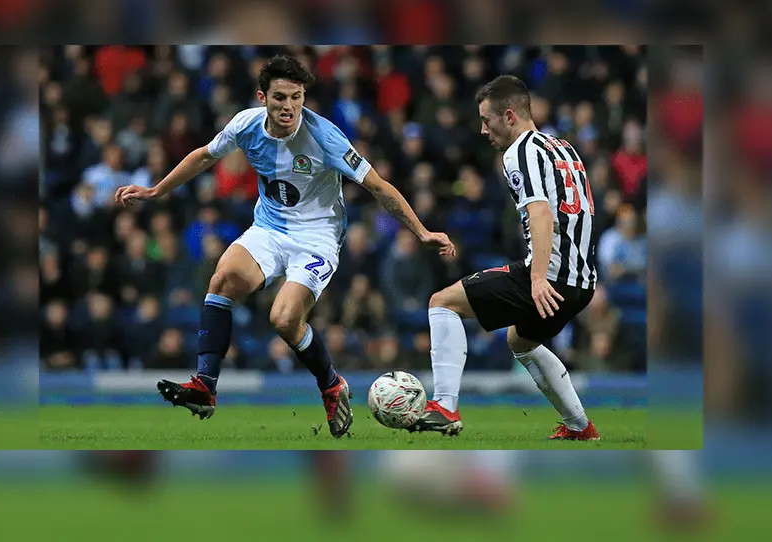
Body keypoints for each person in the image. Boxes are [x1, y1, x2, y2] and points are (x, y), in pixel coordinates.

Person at [115, 55, 455, 438]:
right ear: (263, 97)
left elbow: (377, 186)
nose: (289, 106)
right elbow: (204, 156)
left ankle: (330, 384)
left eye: (296, 97)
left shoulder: (325, 137)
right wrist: (157, 190)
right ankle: (205, 386)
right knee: (222, 278)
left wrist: (421, 231)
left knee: (283, 319)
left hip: (317, 238)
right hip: (270, 227)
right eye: (280, 97)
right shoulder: (245, 124)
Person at [411, 75, 600, 440]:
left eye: (487, 120)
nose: (483, 130)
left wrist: (539, 277)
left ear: (510, 116)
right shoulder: (564, 148)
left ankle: (445, 407)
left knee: (442, 303)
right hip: (583, 282)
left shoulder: (520, 152)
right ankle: (580, 426)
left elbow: (541, 214)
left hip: (552, 277)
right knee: (520, 341)